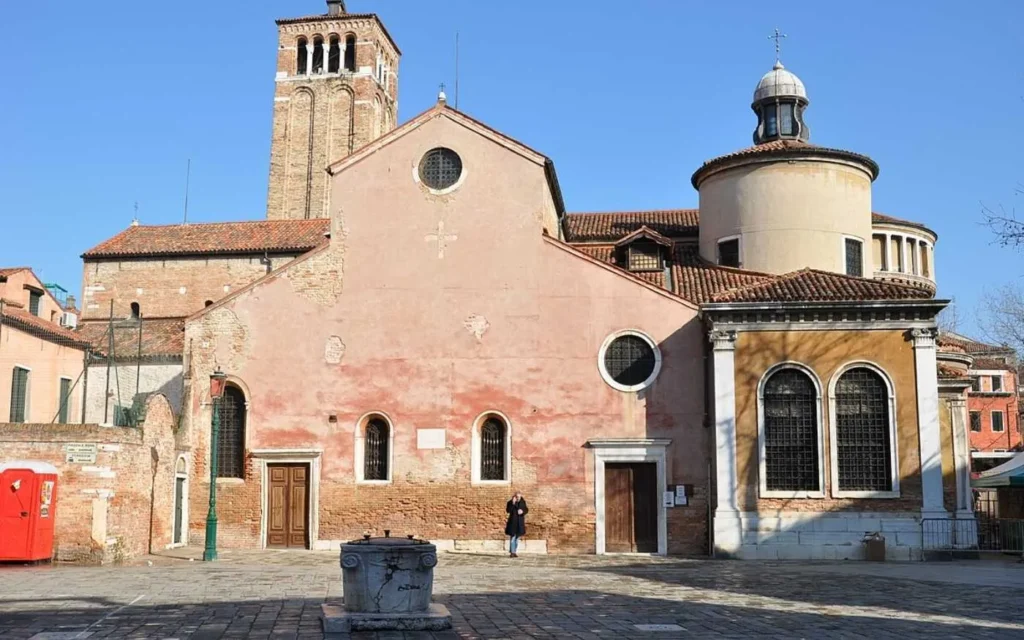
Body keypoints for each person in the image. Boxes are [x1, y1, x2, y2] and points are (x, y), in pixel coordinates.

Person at [505, 492, 528, 557]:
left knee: (517, 538)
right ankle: (512, 552)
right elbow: (508, 510)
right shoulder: (510, 503)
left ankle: (514, 551)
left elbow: (526, 509)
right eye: (517, 497)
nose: (518, 498)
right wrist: (513, 503)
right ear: (514, 497)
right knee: (513, 537)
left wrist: (522, 511)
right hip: (513, 522)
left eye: (519, 497)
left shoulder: (523, 502)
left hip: (520, 523)